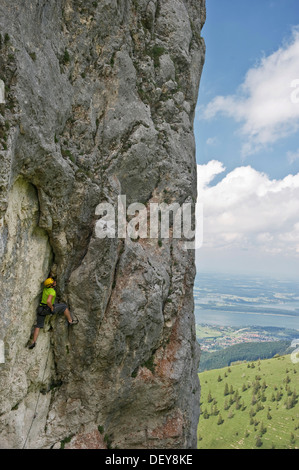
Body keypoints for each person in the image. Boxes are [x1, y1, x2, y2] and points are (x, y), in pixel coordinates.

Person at [28, 277, 78, 349]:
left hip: (41, 309)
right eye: (54, 282)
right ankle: (70, 321)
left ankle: (33, 342)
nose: (55, 282)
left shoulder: (46, 289)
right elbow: (48, 301)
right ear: (51, 285)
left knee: (38, 325)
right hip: (47, 309)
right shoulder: (52, 291)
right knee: (64, 306)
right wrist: (51, 308)